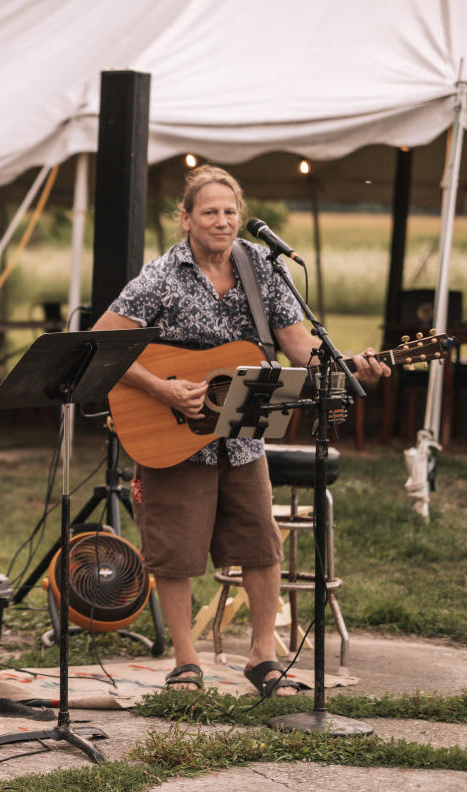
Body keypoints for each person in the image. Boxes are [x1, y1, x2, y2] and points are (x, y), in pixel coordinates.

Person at [92, 165, 388, 698]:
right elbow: (101, 343)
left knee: (260, 545)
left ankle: (262, 656)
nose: (222, 221)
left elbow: (301, 350)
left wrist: (349, 364)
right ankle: (186, 661)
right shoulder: (160, 276)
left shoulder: (263, 272)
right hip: (171, 432)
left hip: (244, 432)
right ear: (185, 218)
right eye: (209, 212)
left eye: (230, 212)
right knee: (175, 552)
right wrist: (162, 389)